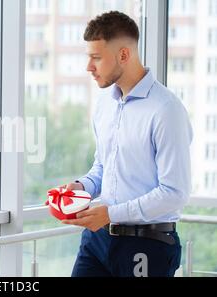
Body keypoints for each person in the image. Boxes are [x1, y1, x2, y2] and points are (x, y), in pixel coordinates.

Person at [61, 11, 193, 277]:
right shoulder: (105, 105)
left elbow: (174, 192)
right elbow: (102, 165)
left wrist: (111, 213)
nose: (89, 67)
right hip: (97, 240)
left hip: (147, 244)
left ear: (124, 55)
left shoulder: (166, 110)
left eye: (96, 58)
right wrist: (82, 187)